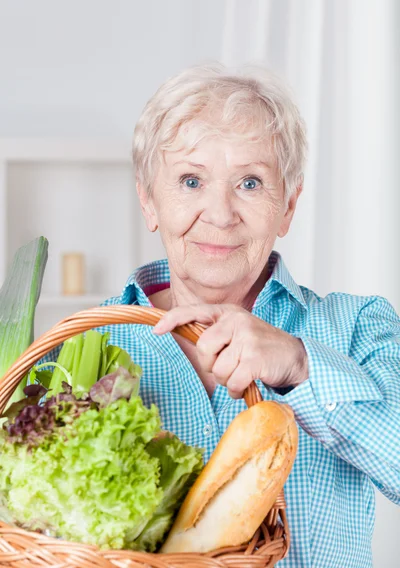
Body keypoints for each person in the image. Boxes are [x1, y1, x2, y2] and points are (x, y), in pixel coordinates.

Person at [44, 62, 400, 567]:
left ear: (289, 207)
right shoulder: (79, 350)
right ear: (149, 202)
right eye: (191, 180)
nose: (219, 213)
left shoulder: (358, 327)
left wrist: (302, 365)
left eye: (250, 183)